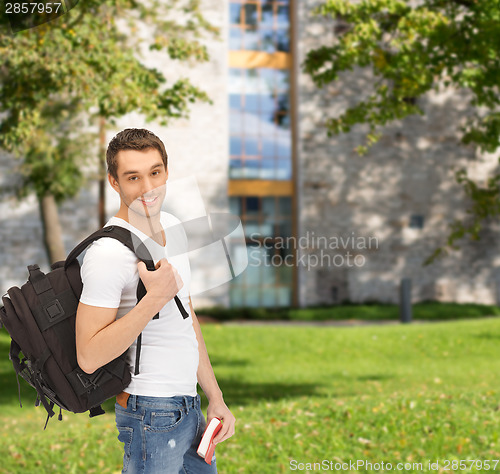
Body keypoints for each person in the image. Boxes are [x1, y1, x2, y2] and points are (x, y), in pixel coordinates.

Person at [75, 128, 235, 473]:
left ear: (166, 171)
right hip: (148, 411)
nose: (148, 189)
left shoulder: (173, 226)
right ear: (114, 182)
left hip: (189, 406)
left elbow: (185, 319)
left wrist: (215, 396)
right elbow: (88, 356)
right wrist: (154, 299)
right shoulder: (108, 253)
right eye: (133, 177)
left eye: (155, 173)